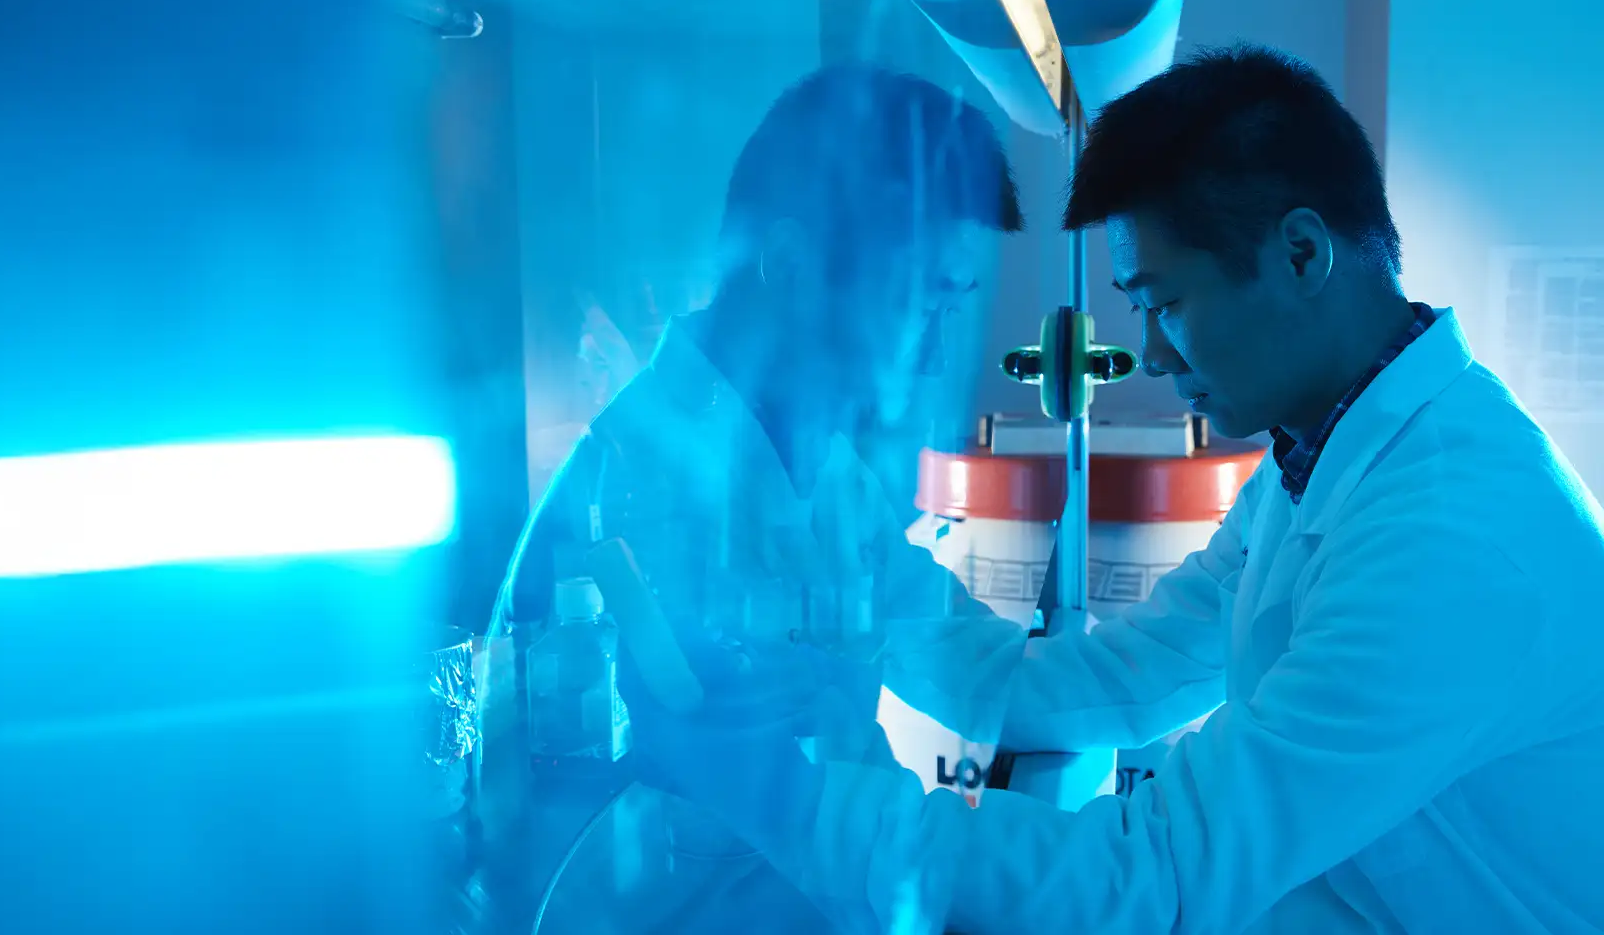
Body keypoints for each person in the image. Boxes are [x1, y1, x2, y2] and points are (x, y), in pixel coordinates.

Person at [623, 45, 1604, 934]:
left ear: (1302, 254)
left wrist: (771, 792)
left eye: (1165, 303)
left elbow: (1153, 879)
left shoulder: (1449, 535)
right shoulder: (1318, 459)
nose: (1146, 354)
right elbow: (1119, 682)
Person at [487, 62, 1023, 924]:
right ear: (792, 267)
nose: (930, 356)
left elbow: (967, 658)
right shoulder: (626, 489)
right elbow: (749, 807)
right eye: (921, 303)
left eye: (949, 311)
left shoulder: (827, 466)